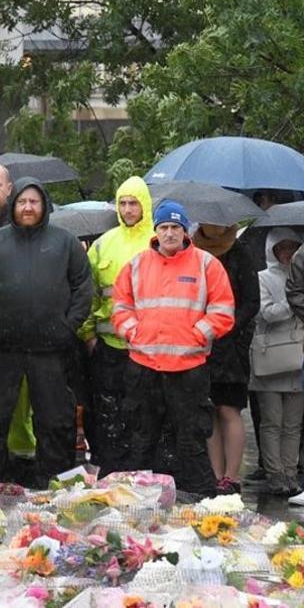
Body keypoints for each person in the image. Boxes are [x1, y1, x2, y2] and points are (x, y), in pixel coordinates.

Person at [0, 178, 92, 484]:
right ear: (14, 205)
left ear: (44, 206)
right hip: (2, 349)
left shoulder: (65, 243)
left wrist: (69, 327)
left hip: (51, 349)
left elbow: (83, 288)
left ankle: (57, 480)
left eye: (34, 202)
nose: (28, 207)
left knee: (54, 420)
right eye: (23, 202)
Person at [112, 201, 235, 496]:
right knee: (141, 437)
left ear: (185, 231)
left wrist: (196, 335)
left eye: (175, 227)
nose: (169, 233)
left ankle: (199, 501)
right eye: (164, 227)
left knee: (191, 440)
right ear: (155, 231)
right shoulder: (137, 265)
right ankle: (135, 499)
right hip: (144, 366)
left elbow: (223, 311)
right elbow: (120, 307)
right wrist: (133, 332)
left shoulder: (207, 264)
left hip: (188, 369)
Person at [78, 176, 153, 475]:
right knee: (107, 414)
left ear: (144, 204)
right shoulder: (103, 244)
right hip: (108, 347)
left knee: (144, 414)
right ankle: (109, 471)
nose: (128, 209)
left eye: (133, 202)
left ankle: (143, 472)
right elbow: (89, 292)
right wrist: (88, 335)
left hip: (149, 349)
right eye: (122, 203)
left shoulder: (157, 242)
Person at [193, 223, 258, 494]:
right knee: (209, 411)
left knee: (229, 409)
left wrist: (228, 328)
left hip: (231, 345)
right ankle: (215, 475)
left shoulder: (240, 253)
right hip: (200, 341)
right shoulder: (193, 251)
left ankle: (232, 476)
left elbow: (251, 302)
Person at [251, 228, 304, 496]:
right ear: (272, 250)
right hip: (270, 357)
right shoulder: (262, 278)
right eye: (282, 247)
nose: (288, 253)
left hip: (298, 358)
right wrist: (292, 303)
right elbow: (265, 313)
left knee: (293, 423)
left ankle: (290, 473)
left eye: (294, 247)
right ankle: (274, 474)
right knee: (272, 421)